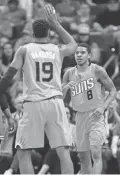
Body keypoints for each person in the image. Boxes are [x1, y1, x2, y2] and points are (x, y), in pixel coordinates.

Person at [0, 4, 77, 174]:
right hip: (56, 103)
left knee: (23, 151)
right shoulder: (57, 50)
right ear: (49, 33)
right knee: (63, 151)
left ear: (32, 34)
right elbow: (73, 45)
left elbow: (8, 77)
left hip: (33, 103)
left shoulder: (24, 50)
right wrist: (56, 23)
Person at [62, 43, 117, 174]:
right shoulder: (69, 73)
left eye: (82, 53)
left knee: (96, 153)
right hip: (79, 116)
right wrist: (65, 88)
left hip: (95, 115)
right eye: (77, 53)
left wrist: (103, 107)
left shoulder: (97, 70)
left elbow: (113, 90)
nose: (79, 55)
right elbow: (60, 96)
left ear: (89, 55)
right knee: (83, 157)